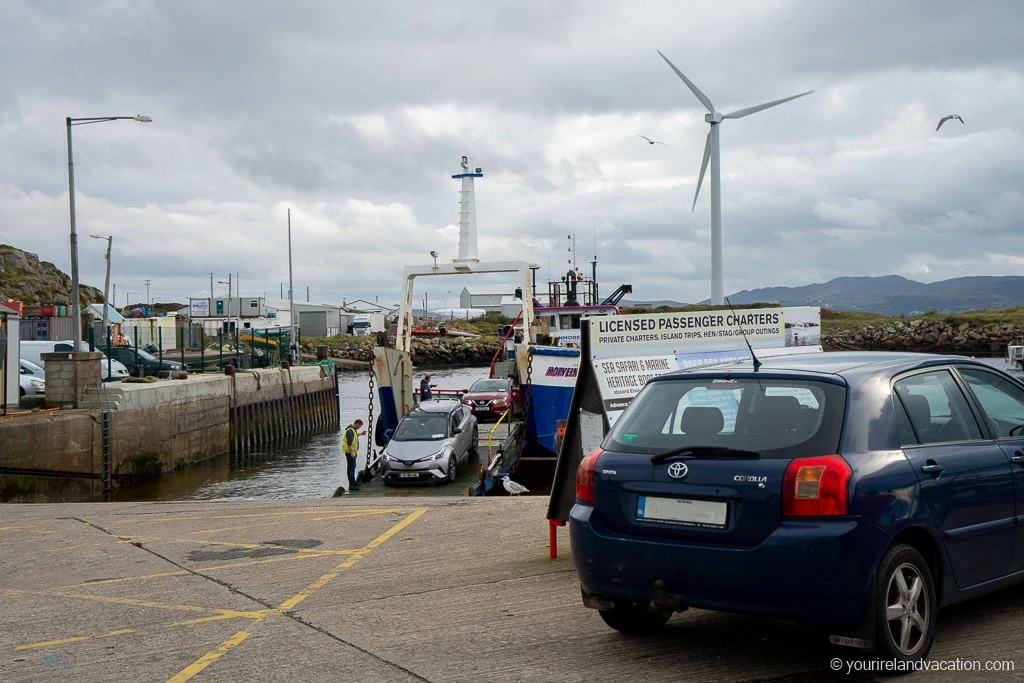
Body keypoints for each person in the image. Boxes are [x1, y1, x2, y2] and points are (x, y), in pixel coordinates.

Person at [338, 419, 366, 495]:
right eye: (359, 426)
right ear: (357, 424)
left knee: (353, 467)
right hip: (350, 453)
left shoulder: (352, 430)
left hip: (351, 453)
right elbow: (349, 442)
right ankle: (352, 485)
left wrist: (361, 434)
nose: (359, 427)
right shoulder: (350, 431)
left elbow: (354, 436)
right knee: (351, 468)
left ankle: (353, 483)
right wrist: (352, 452)